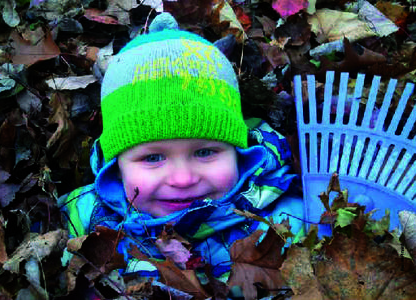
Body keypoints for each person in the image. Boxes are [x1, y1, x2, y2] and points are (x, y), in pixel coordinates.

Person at [58, 12, 305, 283]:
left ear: (238, 150)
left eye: (205, 152)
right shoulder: (82, 218)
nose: (183, 179)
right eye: (153, 157)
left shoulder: (287, 223)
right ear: (116, 166)